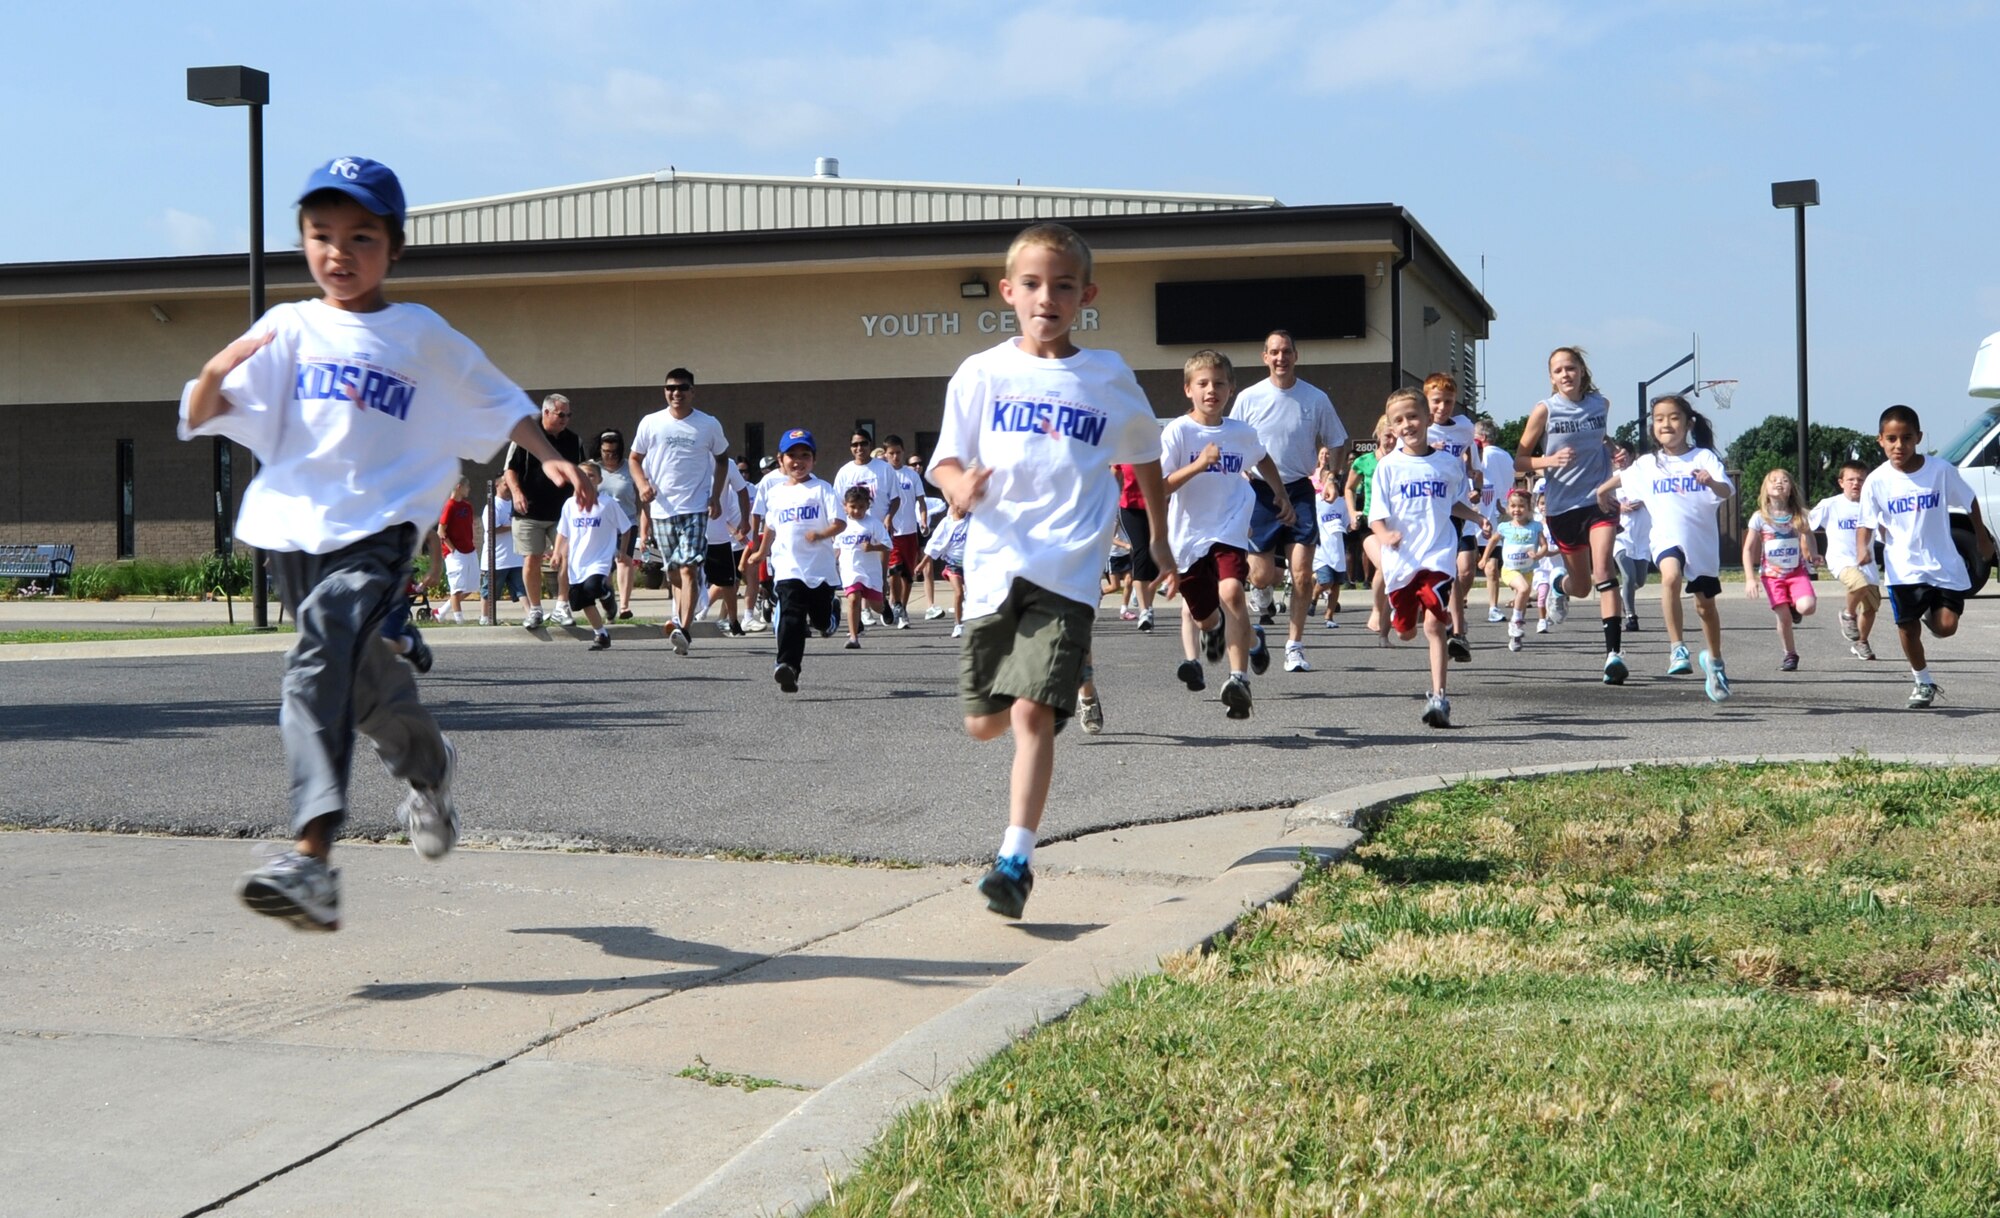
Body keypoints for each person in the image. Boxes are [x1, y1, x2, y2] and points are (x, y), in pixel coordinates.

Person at [179, 154, 593, 931]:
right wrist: (212, 371)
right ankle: (429, 771)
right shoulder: (289, 326)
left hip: (379, 533)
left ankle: (310, 859)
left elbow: (499, 401)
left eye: (361, 237)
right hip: (298, 534)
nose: (340, 252)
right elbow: (206, 408)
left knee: (317, 659)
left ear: (394, 247)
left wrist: (551, 455)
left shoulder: (418, 334)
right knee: (363, 689)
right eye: (322, 235)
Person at [926, 222, 1173, 921]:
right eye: (1032, 284)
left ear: (1086, 295)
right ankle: (1035, 698)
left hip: (1067, 572)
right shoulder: (981, 373)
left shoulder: (1106, 375)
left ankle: (1015, 859)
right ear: (1008, 292)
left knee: (1032, 714)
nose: (1047, 297)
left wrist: (1157, 534)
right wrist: (956, 488)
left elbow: (1144, 453)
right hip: (993, 567)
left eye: (1064, 285)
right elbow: (944, 459)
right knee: (985, 724)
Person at [1161, 350, 1292, 719]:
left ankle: (1239, 680)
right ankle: (1252, 639)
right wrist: (1200, 464)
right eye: (1202, 383)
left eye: (1219, 383)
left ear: (1231, 389)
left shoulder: (1240, 433)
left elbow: (1261, 456)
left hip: (1230, 525)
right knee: (1205, 618)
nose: (1211, 390)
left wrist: (1279, 491)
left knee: (1232, 592)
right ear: (1188, 389)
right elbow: (1161, 486)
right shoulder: (1179, 432)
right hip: (1188, 538)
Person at [1856, 404, 1994, 708]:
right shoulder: (1877, 481)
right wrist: (1862, 553)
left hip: (1942, 564)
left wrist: (1983, 541)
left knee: (1946, 627)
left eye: (1906, 438)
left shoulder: (1940, 471)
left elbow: (1969, 502)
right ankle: (1923, 681)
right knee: (1906, 627)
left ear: (1918, 437)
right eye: (1891, 439)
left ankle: (1927, 613)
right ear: (1880, 440)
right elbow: (1865, 523)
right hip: (1902, 567)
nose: (1899, 445)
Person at [1596, 394, 1733, 700]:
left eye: (1673, 418)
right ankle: (1677, 649)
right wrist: (1601, 491)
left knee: (1704, 606)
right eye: (1659, 419)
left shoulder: (1703, 458)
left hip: (1701, 544)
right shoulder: (1647, 463)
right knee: (1669, 577)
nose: (1666, 424)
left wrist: (1711, 482)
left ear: (1688, 423)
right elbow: (1622, 478)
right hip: (1665, 538)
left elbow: (1726, 490)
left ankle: (1715, 661)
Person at [1370, 388, 1490, 727]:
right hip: (1401, 562)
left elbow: (1451, 502)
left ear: (1426, 418)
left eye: (1413, 416)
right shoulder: (1389, 468)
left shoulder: (1448, 463)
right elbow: (1376, 516)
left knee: (1436, 623)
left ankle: (1439, 697)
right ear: (1391, 427)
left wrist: (1476, 517)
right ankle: (1401, 616)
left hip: (1437, 553)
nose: (1407, 424)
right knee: (1407, 631)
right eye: (1399, 420)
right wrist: (1384, 536)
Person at [1231, 329, 1347, 676]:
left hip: (1298, 489)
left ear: (1296, 355)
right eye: (1274, 352)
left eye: (1286, 352)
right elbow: (1232, 440)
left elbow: (1338, 439)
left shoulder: (1315, 398)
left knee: (1301, 574)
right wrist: (1237, 475)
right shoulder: (1250, 398)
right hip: (1260, 491)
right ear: (1264, 357)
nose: (1281, 358)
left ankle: (1294, 646)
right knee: (1262, 575)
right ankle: (1261, 595)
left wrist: (1332, 477)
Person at [1514, 346, 1627, 684]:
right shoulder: (1544, 411)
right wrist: (1548, 462)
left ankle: (1613, 655)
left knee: (1604, 568)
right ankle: (1561, 589)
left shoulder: (1600, 404)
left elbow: (1599, 438)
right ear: (1551, 377)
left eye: (1571, 368)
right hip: (1562, 507)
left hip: (1598, 499)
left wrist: (1613, 450)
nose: (1566, 374)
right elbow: (1519, 460)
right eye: (1559, 370)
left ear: (1582, 372)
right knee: (1580, 586)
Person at [630, 368, 733, 656]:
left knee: (688, 569)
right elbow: (634, 458)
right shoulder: (651, 423)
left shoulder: (708, 424)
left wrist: (715, 496)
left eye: (682, 388)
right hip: (662, 509)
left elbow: (722, 459)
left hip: (696, 508)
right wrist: (642, 485)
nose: (676, 393)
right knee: (674, 574)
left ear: (692, 391)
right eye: (670, 388)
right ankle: (685, 606)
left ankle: (684, 630)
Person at [752, 429, 845, 691]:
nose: (798, 461)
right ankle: (788, 666)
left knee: (818, 619)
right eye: (791, 455)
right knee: (791, 616)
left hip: (820, 570)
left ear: (814, 459)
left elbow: (840, 523)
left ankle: (831, 617)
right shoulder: (775, 493)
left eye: (805, 455)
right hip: (788, 569)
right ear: (780, 460)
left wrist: (821, 533)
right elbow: (770, 526)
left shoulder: (821, 489)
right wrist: (761, 552)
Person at [503, 393, 585, 628]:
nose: (565, 419)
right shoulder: (525, 437)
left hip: (562, 513)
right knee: (532, 558)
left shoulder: (574, 441)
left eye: (568, 415)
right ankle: (535, 610)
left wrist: (578, 497)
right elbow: (510, 470)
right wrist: (517, 493)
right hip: (529, 511)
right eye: (561, 414)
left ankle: (562, 606)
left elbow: (580, 470)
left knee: (566, 558)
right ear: (546, 412)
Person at [1423, 372, 1481, 663]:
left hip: (1454, 506)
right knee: (1435, 570)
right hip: (1426, 508)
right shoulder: (1420, 429)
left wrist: (1474, 481)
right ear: (1426, 402)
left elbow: (1471, 456)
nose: (1442, 408)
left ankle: (1459, 632)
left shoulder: (1464, 428)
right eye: (1436, 401)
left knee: (1454, 570)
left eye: (1448, 401)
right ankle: (1439, 617)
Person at [1742, 468, 1819, 672]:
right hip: (1772, 576)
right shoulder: (1760, 517)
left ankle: (1795, 606)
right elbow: (1748, 549)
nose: (1779, 483)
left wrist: (1814, 554)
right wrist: (1750, 578)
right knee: (1783, 618)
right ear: (1765, 489)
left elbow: (1809, 535)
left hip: (1796, 573)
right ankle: (1790, 654)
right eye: (1773, 480)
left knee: (1808, 607)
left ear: (1791, 489)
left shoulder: (1798, 515)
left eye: (1784, 480)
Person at [552, 461, 631, 651]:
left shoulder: (608, 504)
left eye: (591, 475)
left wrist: (622, 551)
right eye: (582, 475)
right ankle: (601, 634)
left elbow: (626, 528)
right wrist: (556, 553)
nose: (586, 479)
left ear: (600, 480)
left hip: (599, 560)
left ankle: (606, 593)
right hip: (577, 562)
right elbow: (563, 532)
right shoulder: (570, 505)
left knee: (592, 587)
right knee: (581, 601)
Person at [1811, 459, 1883, 661]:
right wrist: (1808, 550)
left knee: (1871, 607)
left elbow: (1885, 532)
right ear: (1841, 482)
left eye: (1861, 479)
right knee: (1858, 584)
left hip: (1867, 562)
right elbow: (1805, 525)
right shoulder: (1830, 505)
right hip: (1840, 560)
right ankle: (1848, 614)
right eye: (1851, 479)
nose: (1856, 483)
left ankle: (1861, 642)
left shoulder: (1872, 506)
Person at [833, 431, 900, 625]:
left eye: (863, 444)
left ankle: (881, 600)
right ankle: (859, 616)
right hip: (853, 530)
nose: (859, 448)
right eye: (855, 445)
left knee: (878, 574)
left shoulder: (883, 468)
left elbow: (895, 498)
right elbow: (837, 502)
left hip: (878, 528)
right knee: (854, 570)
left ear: (870, 445)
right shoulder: (845, 472)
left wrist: (889, 518)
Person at [1479, 488, 1547, 652]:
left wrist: (1538, 555)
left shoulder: (1535, 527)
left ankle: (1515, 637)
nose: (1517, 510)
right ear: (1508, 508)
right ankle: (1515, 621)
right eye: (1513, 506)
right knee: (1523, 589)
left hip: (1527, 570)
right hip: (1510, 569)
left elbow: (1544, 547)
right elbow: (1493, 541)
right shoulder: (1504, 527)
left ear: (1529, 509)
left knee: (1521, 601)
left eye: (1521, 506)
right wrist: (1484, 558)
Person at [831, 483, 893, 648]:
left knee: (876, 606)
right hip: (850, 570)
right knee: (853, 599)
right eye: (853, 507)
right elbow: (836, 549)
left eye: (861, 507)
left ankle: (884, 606)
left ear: (867, 506)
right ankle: (854, 637)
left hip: (870, 571)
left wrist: (873, 547)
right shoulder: (841, 525)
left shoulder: (873, 524)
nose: (857, 511)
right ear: (845, 506)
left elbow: (888, 545)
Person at [702, 454, 753, 634]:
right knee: (686, 575)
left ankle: (733, 621)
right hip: (693, 532)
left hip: (718, 535)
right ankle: (683, 618)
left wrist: (745, 520)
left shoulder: (727, 464)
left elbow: (742, 491)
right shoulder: (687, 459)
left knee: (728, 582)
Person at [881, 436, 927, 628]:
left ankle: (902, 609)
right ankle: (896, 603)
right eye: (891, 453)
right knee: (894, 569)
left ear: (903, 452)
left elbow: (921, 502)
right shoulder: (883, 474)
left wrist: (923, 519)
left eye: (898, 453)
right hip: (891, 532)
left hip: (909, 531)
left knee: (908, 575)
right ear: (886, 455)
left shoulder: (912, 475)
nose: (895, 457)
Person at [595, 429, 641, 619]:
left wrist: (644, 524)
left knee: (624, 560)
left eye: (614, 452)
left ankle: (624, 606)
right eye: (606, 451)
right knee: (604, 566)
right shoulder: (593, 468)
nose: (610, 456)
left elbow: (641, 497)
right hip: (600, 523)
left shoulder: (629, 468)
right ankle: (608, 601)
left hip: (627, 522)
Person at [1474, 419, 1516, 622]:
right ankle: (1493, 607)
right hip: (1500, 513)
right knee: (1494, 562)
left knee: (1488, 563)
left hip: (1481, 512)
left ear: (1481, 438)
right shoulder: (1506, 456)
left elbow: (1482, 481)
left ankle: (1492, 607)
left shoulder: (1484, 455)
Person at [1609, 440, 1651, 633]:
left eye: (1625, 454)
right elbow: (1599, 498)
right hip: (1620, 535)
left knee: (1639, 581)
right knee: (1628, 575)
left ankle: (1622, 596)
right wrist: (1620, 507)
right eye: (1617, 455)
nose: (1621, 458)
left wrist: (1644, 500)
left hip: (1642, 535)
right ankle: (1631, 617)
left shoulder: (1642, 475)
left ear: (1633, 456)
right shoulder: (1610, 478)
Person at [1115, 463, 1162, 632]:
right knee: (1140, 551)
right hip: (1130, 508)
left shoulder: (1159, 447)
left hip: (1155, 505)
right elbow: (1114, 474)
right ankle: (1143, 610)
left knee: (1153, 556)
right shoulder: (1124, 447)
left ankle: (1148, 608)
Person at [923, 503, 970, 637]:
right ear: (953, 504)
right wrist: (922, 563)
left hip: (969, 565)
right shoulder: (946, 523)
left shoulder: (973, 521)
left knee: (974, 595)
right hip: (953, 564)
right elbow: (934, 544)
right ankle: (958, 625)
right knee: (959, 593)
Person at [437, 476, 478, 623]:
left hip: (469, 550)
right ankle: (459, 621)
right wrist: (452, 550)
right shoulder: (449, 506)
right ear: (459, 486)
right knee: (456, 588)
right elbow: (441, 531)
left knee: (470, 587)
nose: (469, 490)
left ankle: (440, 612)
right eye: (467, 487)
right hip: (455, 553)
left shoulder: (467, 507)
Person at [1310, 476, 1350, 625]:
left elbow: (1347, 523)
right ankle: (1313, 597)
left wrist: (1353, 524)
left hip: (1337, 548)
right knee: (1326, 581)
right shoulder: (1316, 501)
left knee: (1336, 585)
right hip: (1322, 548)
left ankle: (1329, 616)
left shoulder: (1342, 503)